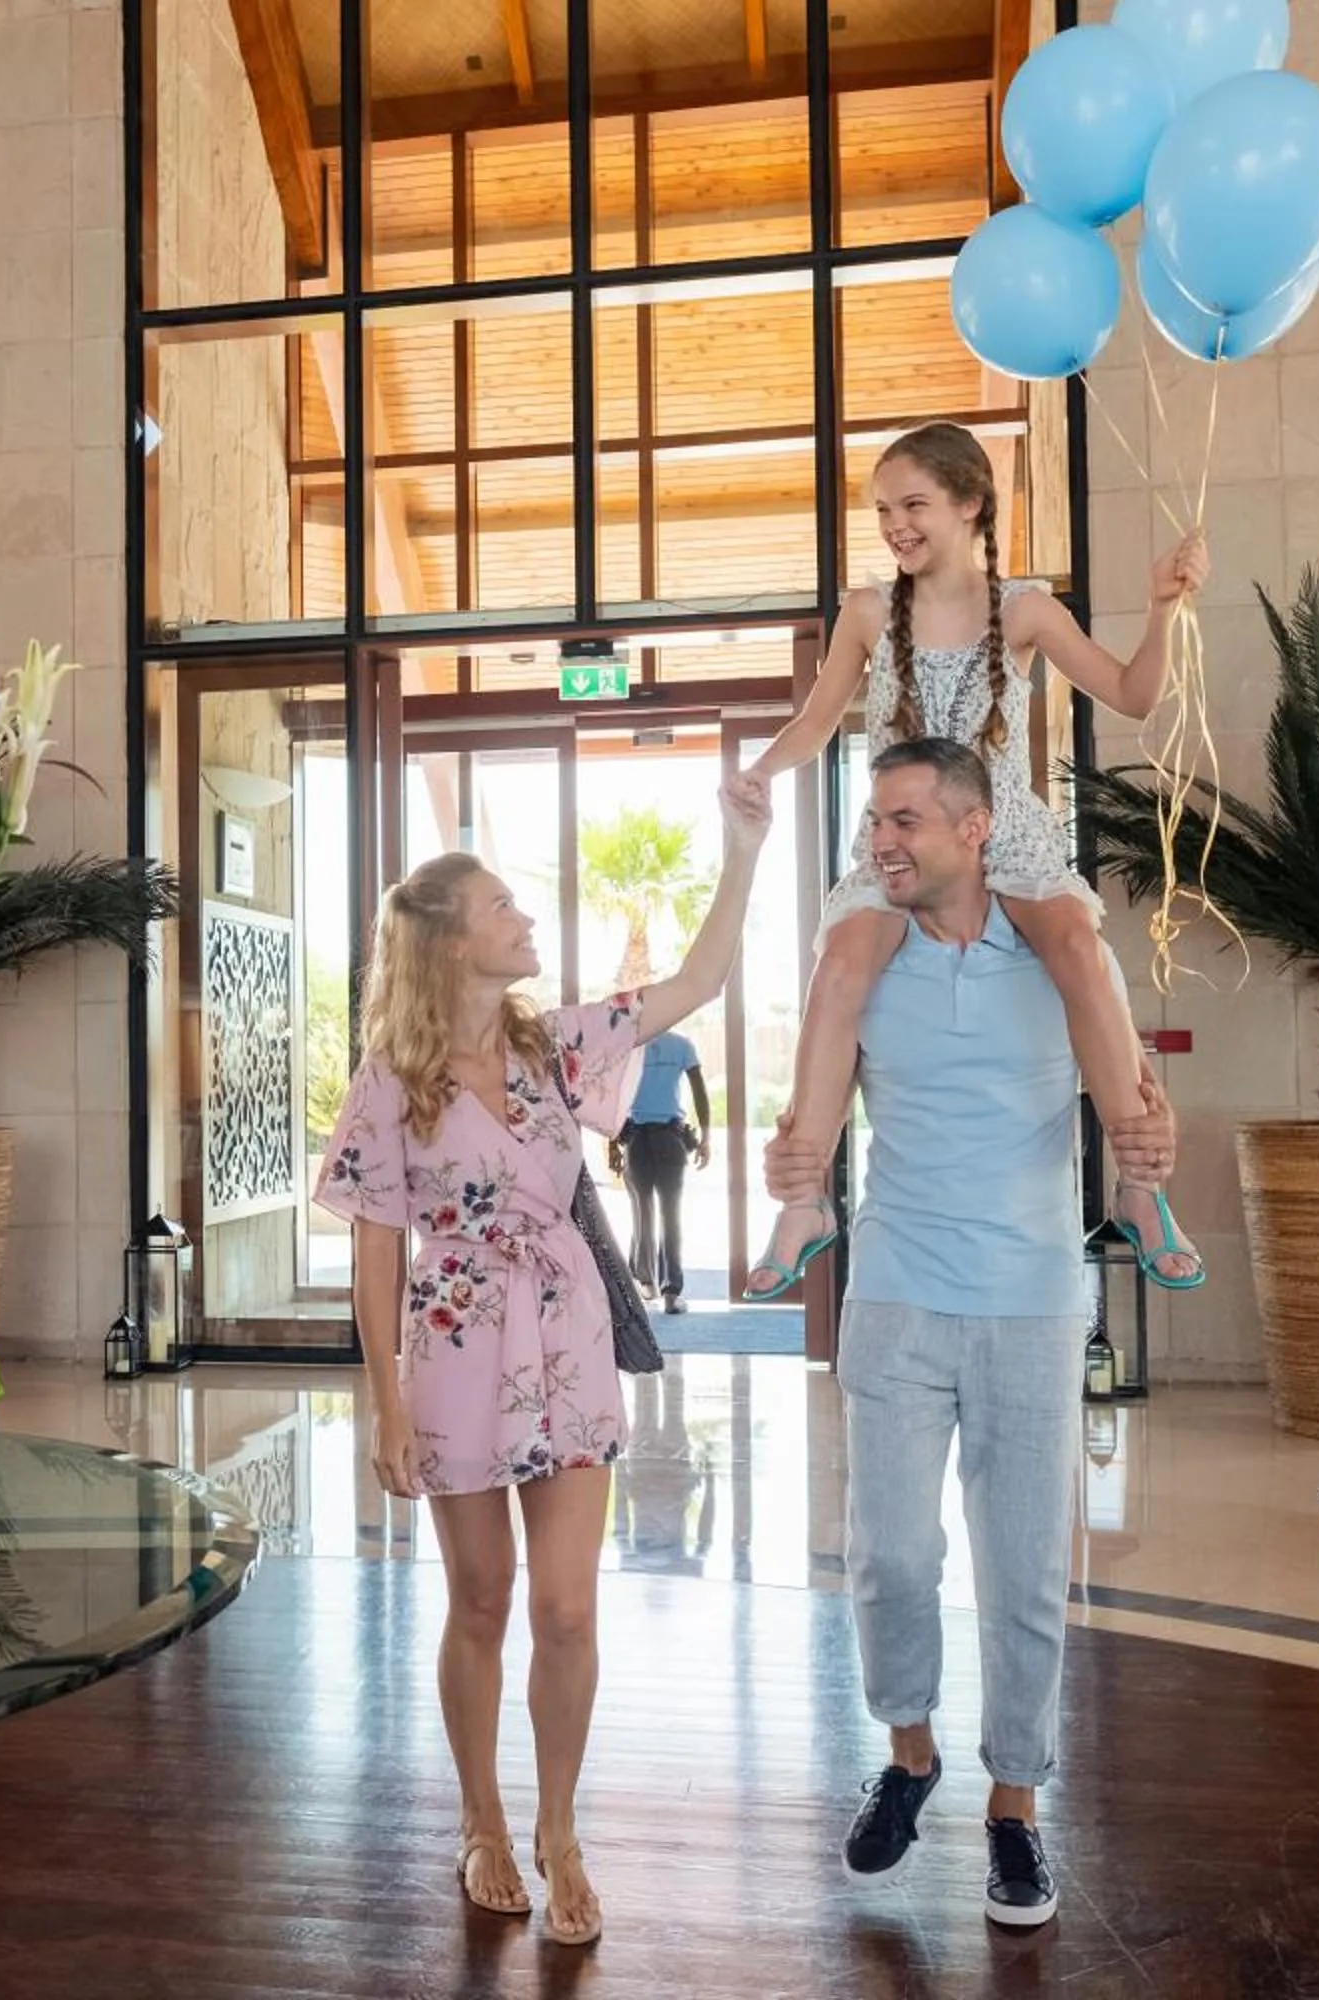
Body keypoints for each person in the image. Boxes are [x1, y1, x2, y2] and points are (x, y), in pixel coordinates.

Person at [312, 781, 773, 1950]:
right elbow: (374, 1260)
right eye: (503, 905)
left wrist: (741, 848)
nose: (526, 919)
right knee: (482, 1599)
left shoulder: (555, 1043)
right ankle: (482, 1822)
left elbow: (698, 983)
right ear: (450, 939)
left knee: (567, 1606)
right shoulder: (386, 1082)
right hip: (454, 1347)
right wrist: (385, 1406)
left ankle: (560, 1825)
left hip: (566, 1341)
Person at [767, 738, 1178, 1930]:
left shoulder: (1057, 954)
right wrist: (790, 1159)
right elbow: (811, 1111)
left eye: (902, 822)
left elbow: (1150, 1107)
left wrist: (1153, 1153)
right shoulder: (866, 959)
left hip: (1033, 1299)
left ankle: (1015, 1806)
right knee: (889, 1553)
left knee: (1021, 1571)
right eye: (871, 824)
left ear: (974, 827)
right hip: (895, 1290)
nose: (878, 843)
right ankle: (908, 1756)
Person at [724, 421, 1206, 1304]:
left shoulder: (1023, 608)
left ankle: (1139, 1188)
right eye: (882, 510)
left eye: (914, 505)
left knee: (1076, 951)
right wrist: (756, 771)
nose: (894, 525)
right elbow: (819, 719)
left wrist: (1163, 606)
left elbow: (1133, 694)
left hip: (1003, 824)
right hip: (905, 833)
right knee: (838, 970)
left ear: (970, 504)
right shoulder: (869, 612)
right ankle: (804, 1203)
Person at [612, 1029, 709, 1312]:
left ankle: (647, 1282)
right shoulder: (682, 1045)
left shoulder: (630, 1045)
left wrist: (612, 1144)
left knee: (642, 1212)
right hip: (670, 1138)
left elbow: (615, 1097)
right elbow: (699, 1091)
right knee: (671, 1213)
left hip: (635, 1138)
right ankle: (671, 1292)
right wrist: (706, 1138)